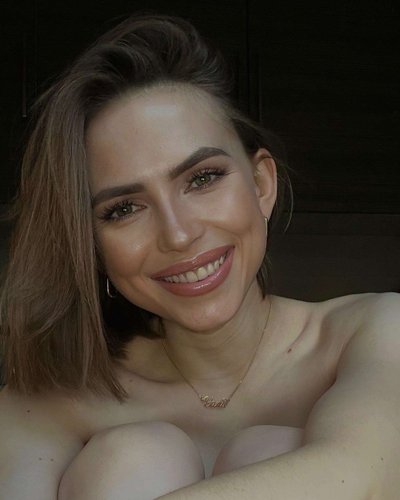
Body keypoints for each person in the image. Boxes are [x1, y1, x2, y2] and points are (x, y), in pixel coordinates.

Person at [0, 13, 399, 500]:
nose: (179, 234)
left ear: (261, 184)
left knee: (271, 451)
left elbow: (361, 475)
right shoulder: (48, 402)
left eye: (203, 179)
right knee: (135, 455)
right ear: (91, 245)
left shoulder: (378, 331)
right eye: (124, 209)